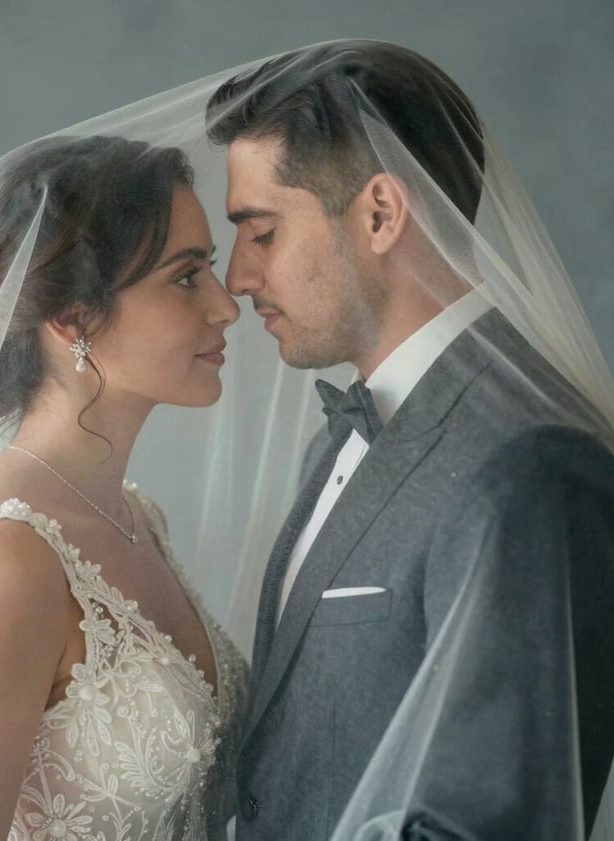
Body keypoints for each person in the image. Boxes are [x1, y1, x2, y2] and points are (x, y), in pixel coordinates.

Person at [205, 41, 614, 840]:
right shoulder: (335, 443)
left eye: (261, 231)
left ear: (381, 214)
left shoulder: (531, 463)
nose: (238, 279)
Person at [0, 134, 250, 841]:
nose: (226, 307)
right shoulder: (0, 562)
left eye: (210, 269)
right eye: (187, 277)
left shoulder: (136, 516)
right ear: (73, 319)